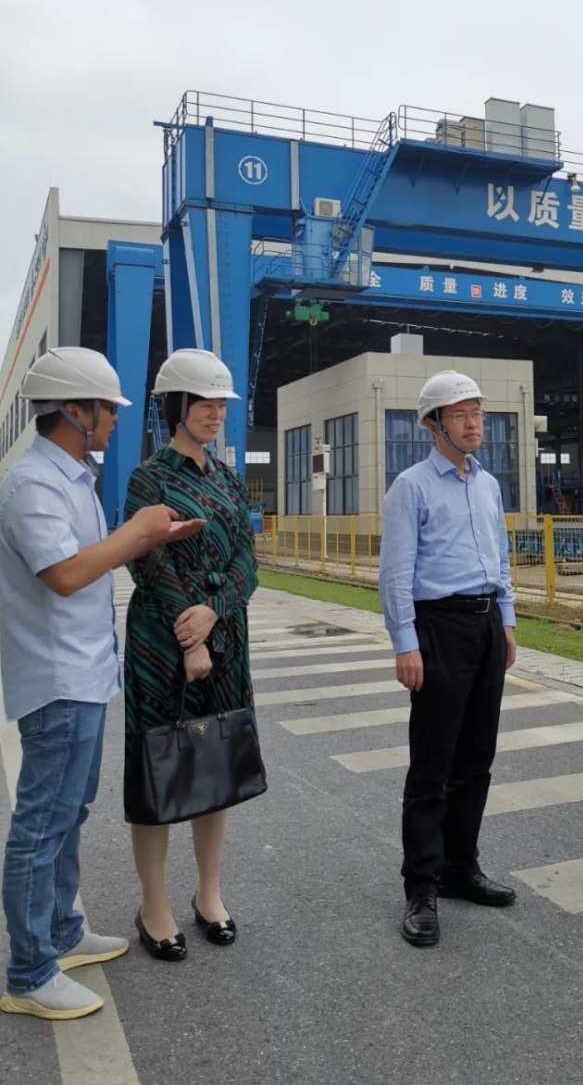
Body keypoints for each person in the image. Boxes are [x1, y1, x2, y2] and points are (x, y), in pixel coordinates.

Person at [0, 348, 203, 1020]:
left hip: (83, 673)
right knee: (42, 824)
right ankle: (29, 972)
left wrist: (146, 538)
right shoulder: (33, 484)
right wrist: (138, 531)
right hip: (57, 677)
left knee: (69, 812)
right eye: (107, 410)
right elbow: (63, 574)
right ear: (74, 410)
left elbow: (87, 560)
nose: (115, 421)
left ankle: (62, 932)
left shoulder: (72, 478)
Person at [123, 349, 258, 962]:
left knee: (216, 763)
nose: (215, 413)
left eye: (221, 404)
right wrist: (192, 636)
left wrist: (217, 611)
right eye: (204, 402)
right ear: (175, 406)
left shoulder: (227, 477)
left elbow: (247, 558)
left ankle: (209, 893)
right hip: (162, 640)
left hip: (225, 635)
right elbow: (148, 563)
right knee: (158, 766)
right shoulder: (147, 479)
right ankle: (154, 906)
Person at [379, 370, 518, 948]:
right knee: (432, 765)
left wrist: (506, 621)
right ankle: (422, 886)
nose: (473, 423)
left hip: (485, 627)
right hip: (438, 627)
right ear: (433, 426)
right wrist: (405, 643)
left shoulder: (487, 485)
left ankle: (462, 867)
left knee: (476, 759)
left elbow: (501, 558)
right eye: (460, 415)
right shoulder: (410, 487)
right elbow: (395, 572)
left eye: (477, 413)